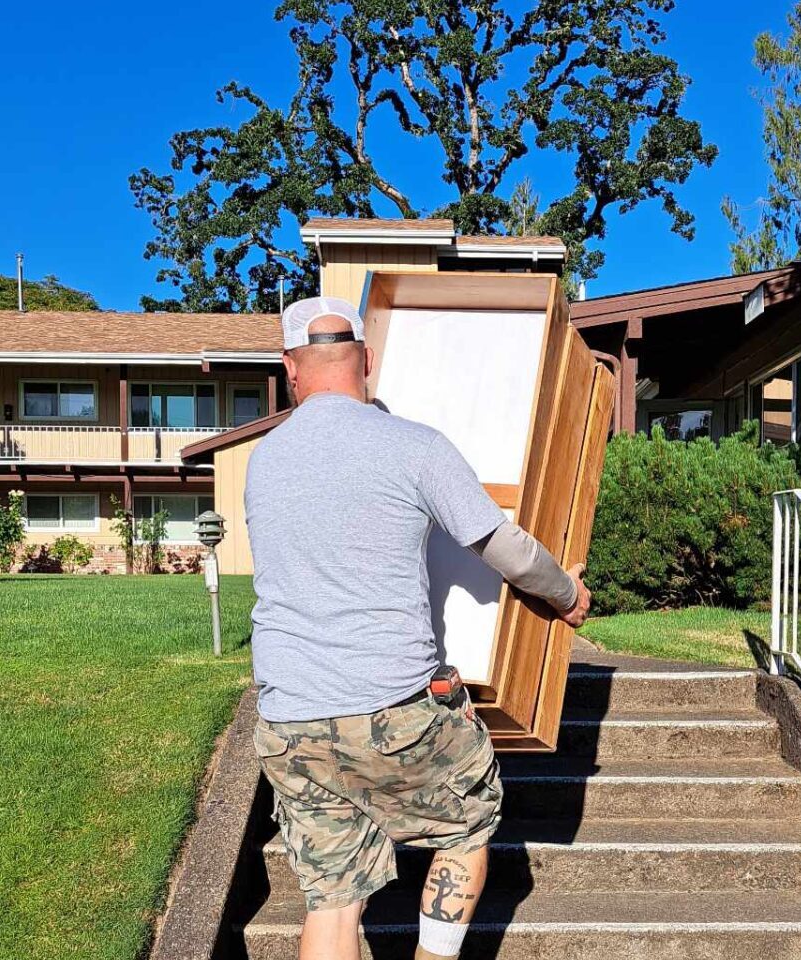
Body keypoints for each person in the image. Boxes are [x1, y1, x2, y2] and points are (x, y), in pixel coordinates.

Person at [245, 296, 590, 960]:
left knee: (333, 901)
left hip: (291, 721)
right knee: (466, 823)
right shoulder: (412, 445)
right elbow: (504, 547)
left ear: (291, 369)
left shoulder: (266, 461)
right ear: (366, 361)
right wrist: (566, 593)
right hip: (392, 708)